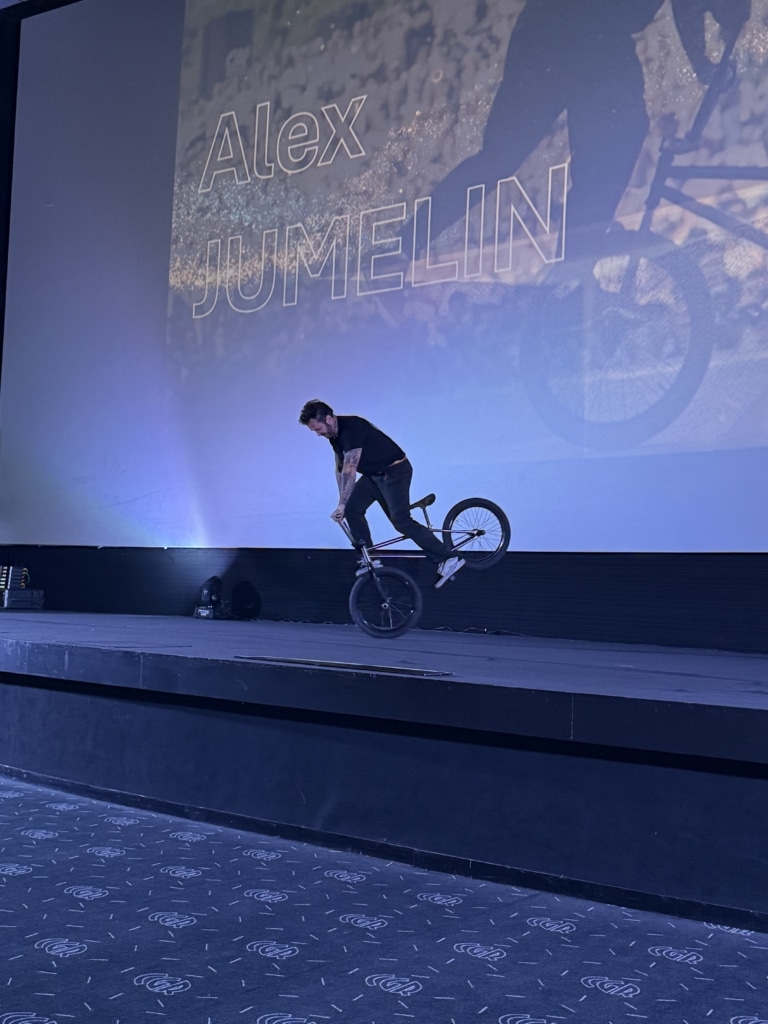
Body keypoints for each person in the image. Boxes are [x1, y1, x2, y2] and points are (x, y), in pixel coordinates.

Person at [408, 0, 751, 260]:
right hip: (573, 34)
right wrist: (708, 54)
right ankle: (574, 267)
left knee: (510, 158)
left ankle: (574, 268)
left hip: (578, 36)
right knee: (510, 157)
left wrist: (707, 56)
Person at [299, 399, 464, 587]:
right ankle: (370, 559)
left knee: (401, 520)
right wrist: (343, 503)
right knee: (352, 508)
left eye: (318, 429)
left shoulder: (352, 428)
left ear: (328, 418)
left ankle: (449, 558)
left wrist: (342, 503)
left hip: (395, 472)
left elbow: (350, 470)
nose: (318, 434)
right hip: (374, 476)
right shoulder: (333, 436)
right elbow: (340, 469)